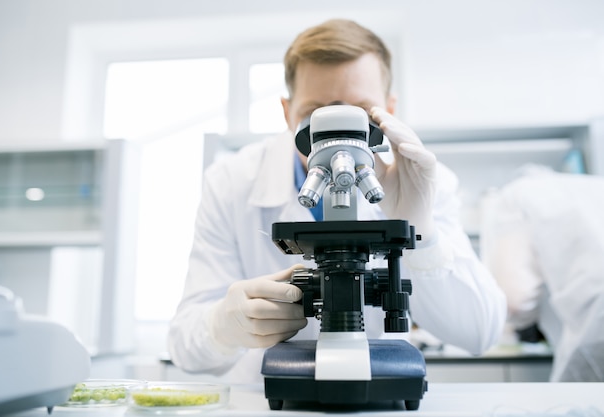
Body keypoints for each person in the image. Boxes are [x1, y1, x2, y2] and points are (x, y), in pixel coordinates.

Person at [168, 18, 507, 384]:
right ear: (287, 113)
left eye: (360, 112)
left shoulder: (426, 182)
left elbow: (479, 332)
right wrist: (223, 327)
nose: (336, 136)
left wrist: (419, 230)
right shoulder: (231, 182)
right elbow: (183, 346)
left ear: (388, 110)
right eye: (315, 116)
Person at [480, 165, 604, 382]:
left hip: (595, 330)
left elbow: (516, 301)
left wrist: (519, 324)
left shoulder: (514, 196)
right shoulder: (593, 186)